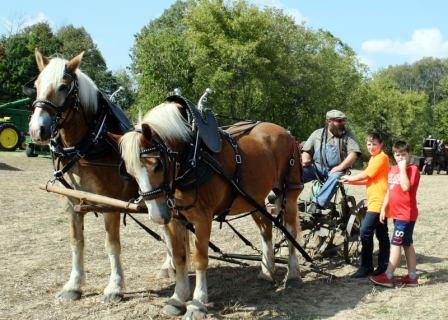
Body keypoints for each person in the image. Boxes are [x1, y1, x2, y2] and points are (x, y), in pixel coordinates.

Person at [370, 140, 421, 287]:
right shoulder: (392, 169)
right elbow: (389, 190)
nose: (400, 158)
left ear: (409, 154)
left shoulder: (412, 170)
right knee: (407, 243)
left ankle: (388, 275)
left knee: (396, 243)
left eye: (403, 155)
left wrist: (403, 168)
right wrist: (384, 208)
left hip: (406, 215)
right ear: (394, 155)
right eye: (398, 155)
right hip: (397, 214)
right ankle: (412, 277)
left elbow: (405, 187)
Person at [341, 133, 390, 278]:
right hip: (376, 200)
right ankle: (383, 265)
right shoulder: (374, 158)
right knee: (381, 233)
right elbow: (369, 180)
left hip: (379, 201)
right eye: (369, 144)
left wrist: (350, 177)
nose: (371, 147)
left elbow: (366, 175)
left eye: (374, 144)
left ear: (381, 145)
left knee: (365, 231)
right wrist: (350, 182)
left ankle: (367, 266)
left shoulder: (382, 157)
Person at [301, 110, 361, 213]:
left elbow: (354, 154)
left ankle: (317, 203)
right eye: (339, 121)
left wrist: (339, 167)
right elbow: (306, 150)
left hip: (337, 170)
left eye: (343, 120)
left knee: (336, 176)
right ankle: (283, 196)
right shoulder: (317, 134)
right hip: (316, 168)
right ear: (329, 121)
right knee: (297, 173)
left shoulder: (348, 135)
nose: (342, 123)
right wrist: (305, 159)